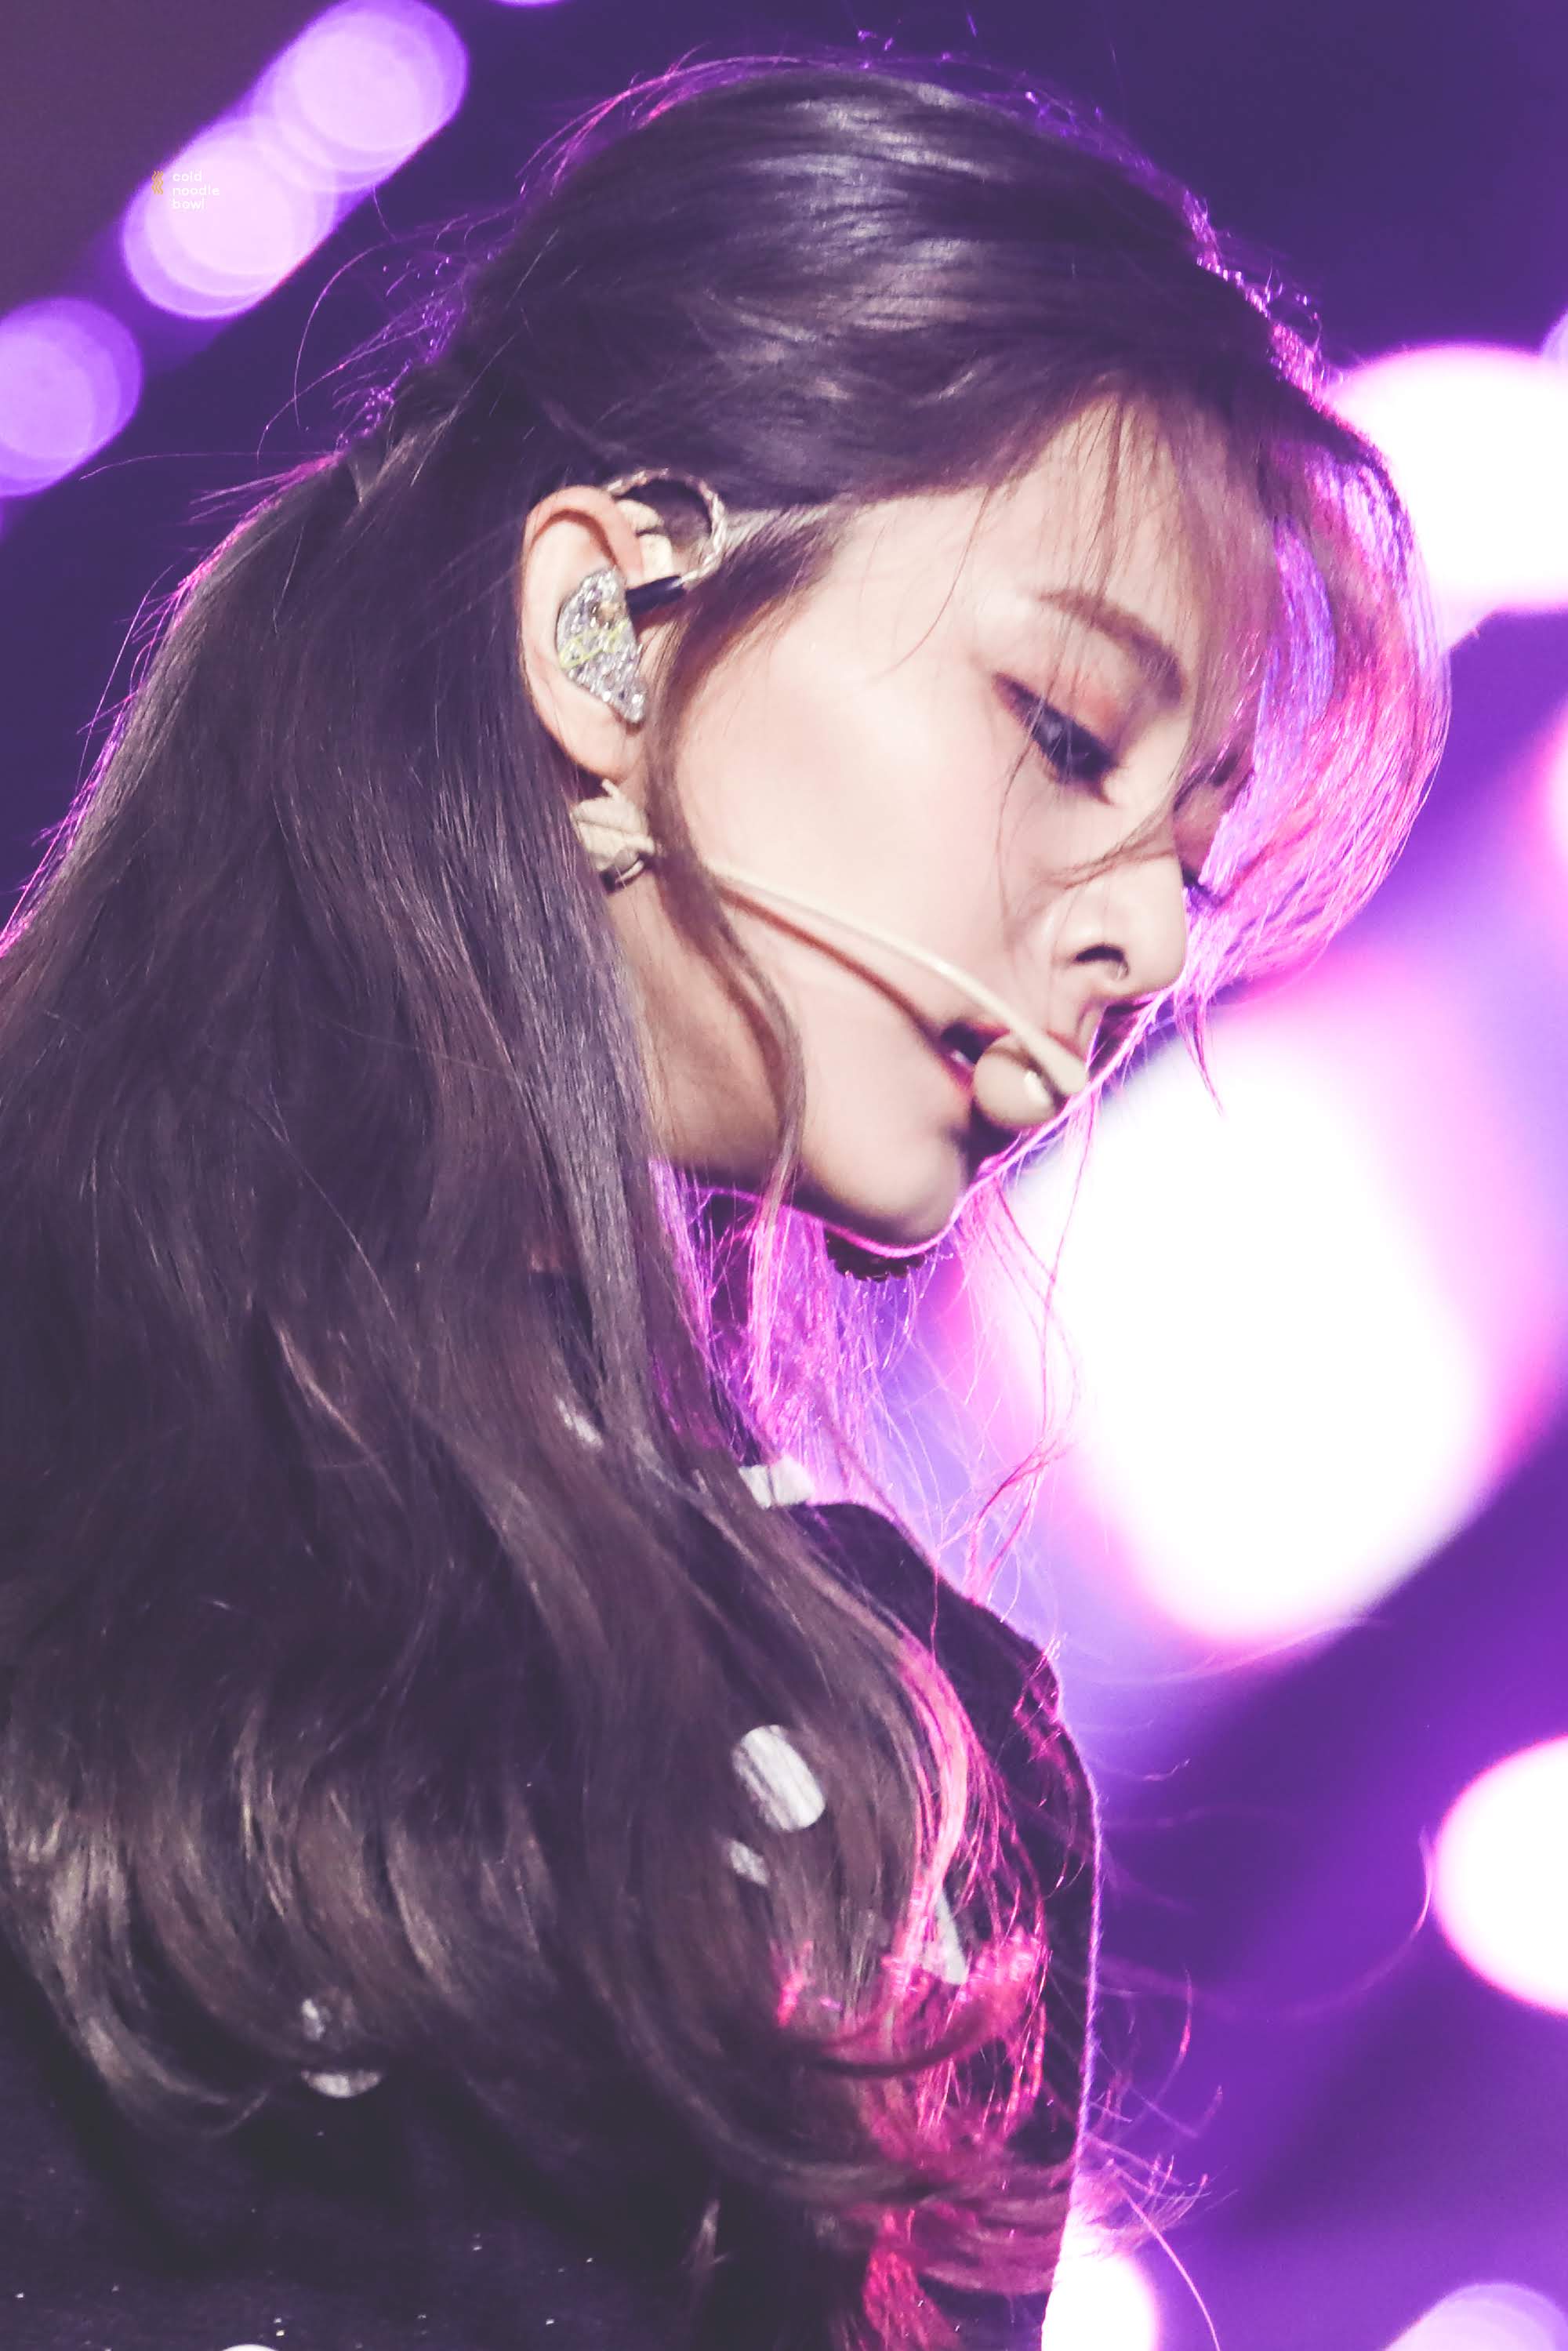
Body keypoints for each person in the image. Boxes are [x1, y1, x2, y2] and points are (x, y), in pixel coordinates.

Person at [0, 49, 1444, 2351]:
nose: (1146, 942)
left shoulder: (914, 1751)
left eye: (1194, 854)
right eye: (1067, 734)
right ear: (614, 625)